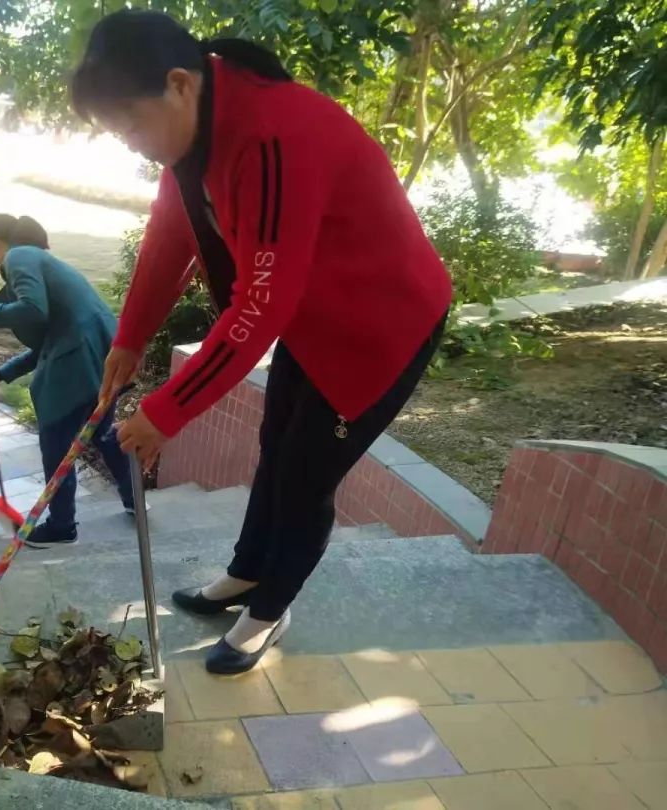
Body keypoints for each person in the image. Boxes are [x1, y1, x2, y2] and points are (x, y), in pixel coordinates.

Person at [72, 11, 453, 674]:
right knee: (275, 448)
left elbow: (262, 302)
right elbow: (171, 235)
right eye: (116, 130)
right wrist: (129, 340)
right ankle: (248, 573)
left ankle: (271, 609)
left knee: (306, 475)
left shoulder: (274, 135)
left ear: (180, 85)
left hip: (380, 328)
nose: (130, 141)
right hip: (315, 318)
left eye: (131, 120)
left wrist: (165, 411)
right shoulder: (193, 136)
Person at [0, 214, 137, 545]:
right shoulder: (44, 262)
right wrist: (0, 375)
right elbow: (48, 342)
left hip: (80, 360)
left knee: (56, 439)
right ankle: (135, 502)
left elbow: (33, 310)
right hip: (103, 355)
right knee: (103, 434)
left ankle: (61, 526)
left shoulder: (19, 255)